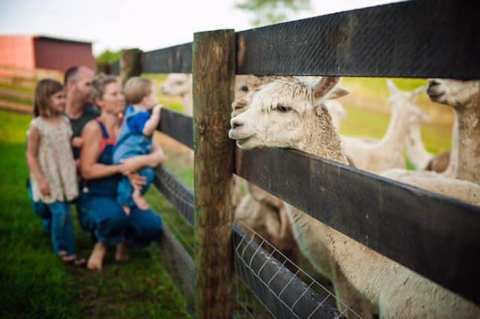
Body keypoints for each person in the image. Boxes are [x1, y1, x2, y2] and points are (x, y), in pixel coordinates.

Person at [79, 74, 165, 271]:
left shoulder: (132, 122)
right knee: (114, 216)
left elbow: (159, 155)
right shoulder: (94, 129)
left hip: (125, 194)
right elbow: (87, 170)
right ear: (100, 101)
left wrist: (140, 161)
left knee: (152, 227)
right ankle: (101, 244)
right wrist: (121, 168)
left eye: (121, 93)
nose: (121, 97)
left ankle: (122, 241)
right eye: (114, 94)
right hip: (99, 194)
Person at [26, 79, 83, 265]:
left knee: (63, 211)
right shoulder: (38, 125)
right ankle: (62, 250)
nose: (63, 100)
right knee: (60, 213)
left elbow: (66, 141)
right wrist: (41, 180)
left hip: (63, 175)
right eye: (59, 97)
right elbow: (31, 155)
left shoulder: (64, 120)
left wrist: (75, 142)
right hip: (48, 176)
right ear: (45, 99)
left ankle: (68, 249)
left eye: (64, 97)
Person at [113, 77, 164, 214]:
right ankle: (136, 195)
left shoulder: (130, 110)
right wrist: (157, 113)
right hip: (129, 155)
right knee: (147, 174)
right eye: (153, 94)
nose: (155, 98)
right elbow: (147, 129)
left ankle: (124, 203)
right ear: (145, 99)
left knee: (129, 180)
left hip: (121, 153)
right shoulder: (140, 115)